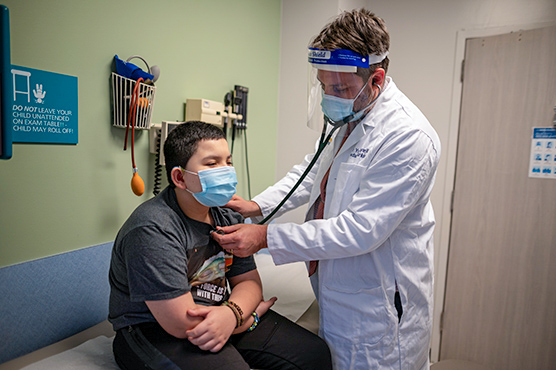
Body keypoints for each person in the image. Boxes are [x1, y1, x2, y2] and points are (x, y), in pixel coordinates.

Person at [212, 9, 441, 370]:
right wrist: (257, 205)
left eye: (340, 89)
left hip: (379, 310)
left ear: (376, 79)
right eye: (324, 86)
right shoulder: (352, 116)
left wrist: (267, 237)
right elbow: (316, 170)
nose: (330, 97)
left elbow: (360, 230)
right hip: (340, 295)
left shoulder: (408, 137)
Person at [108, 121, 332, 370]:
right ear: (180, 177)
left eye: (228, 161)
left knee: (314, 354)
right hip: (153, 329)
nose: (225, 170)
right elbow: (184, 324)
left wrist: (231, 314)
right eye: (212, 164)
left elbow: (248, 282)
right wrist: (250, 316)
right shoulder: (153, 229)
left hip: (222, 313)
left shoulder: (226, 215)